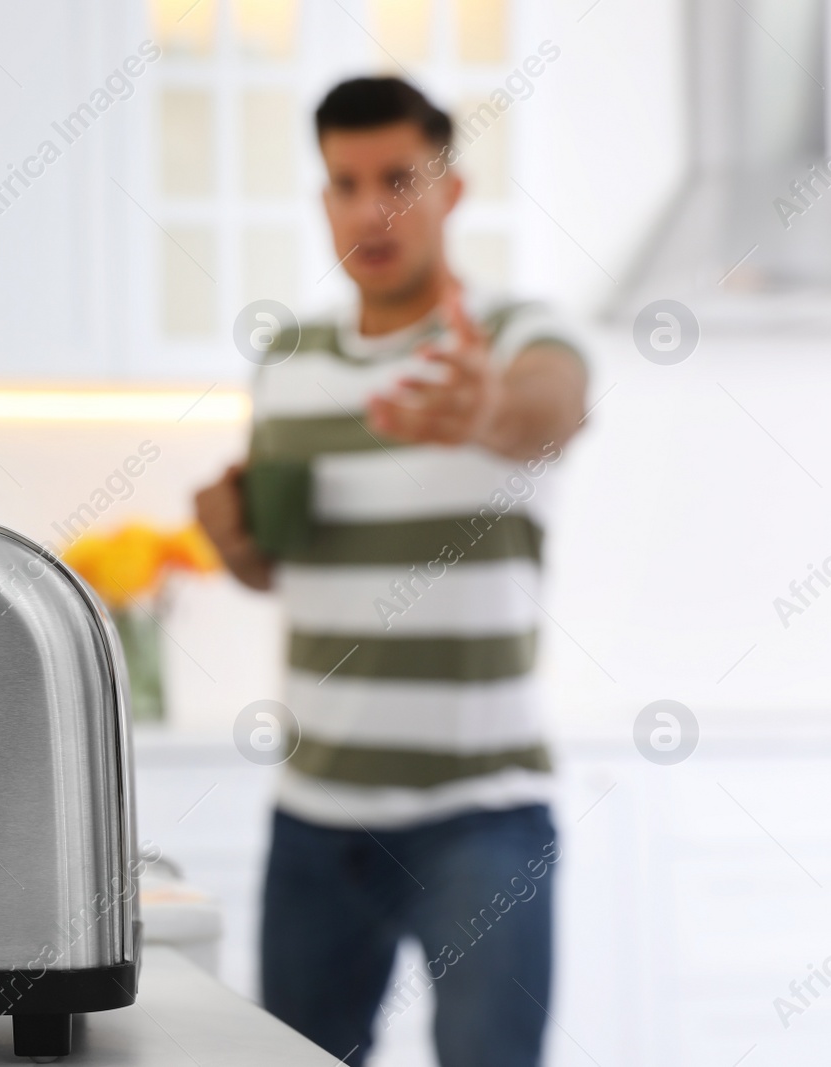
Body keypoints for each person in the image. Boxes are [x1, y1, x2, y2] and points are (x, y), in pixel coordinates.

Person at [194, 77, 587, 1066]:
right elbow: (277, 568)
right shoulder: (286, 362)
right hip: (315, 820)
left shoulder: (512, 339)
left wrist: (486, 412)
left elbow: (550, 407)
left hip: (481, 820)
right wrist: (233, 539)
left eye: (400, 180)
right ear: (323, 198)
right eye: (346, 182)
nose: (373, 208)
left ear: (451, 191)